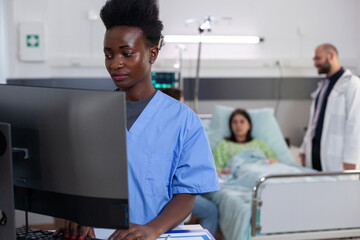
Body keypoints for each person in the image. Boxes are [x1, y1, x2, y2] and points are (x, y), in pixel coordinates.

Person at [54, 0, 219, 239]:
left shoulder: (183, 121)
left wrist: (153, 228)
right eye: (108, 55)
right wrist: (76, 216)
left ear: (152, 53)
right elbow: (74, 185)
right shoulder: (89, 116)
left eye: (126, 53)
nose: (114, 63)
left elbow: (186, 195)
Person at [160, 87, 219, 236]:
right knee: (211, 211)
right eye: (182, 102)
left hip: (180, 189)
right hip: (174, 194)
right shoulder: (179, 129)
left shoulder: (182, 126)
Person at [299, 43, 360, 171]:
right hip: (316, 149)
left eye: (318, 58)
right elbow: (313, 122)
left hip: (336, 154)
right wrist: (304, 148)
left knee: (337, 188)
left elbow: (355, 124)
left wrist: (351, 159)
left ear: (331, 55)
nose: (315, 63)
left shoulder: (352, 84)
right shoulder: (323, 86)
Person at [213, 108, 278, 174]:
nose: (238, 125)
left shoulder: (259, 144)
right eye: (235, 122)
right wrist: (224, 172)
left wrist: (265, 163)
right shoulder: (224, 145)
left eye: (242, 121)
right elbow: (216, 168)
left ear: (249, 125)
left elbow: (273, 161)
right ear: (230, 126)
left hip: (262, 173)